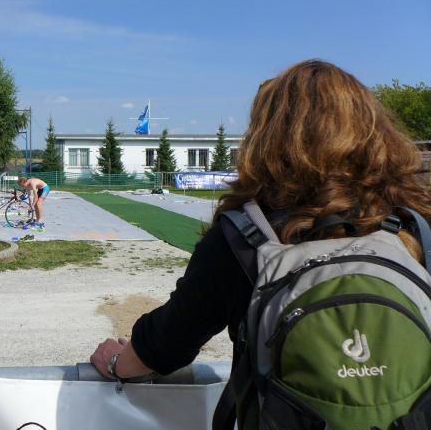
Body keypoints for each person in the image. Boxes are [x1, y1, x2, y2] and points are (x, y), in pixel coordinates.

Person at [90, 60, 431, 389]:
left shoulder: (245, 238)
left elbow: (167, 343)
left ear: (266, 137)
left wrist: (116, 362)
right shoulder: (415, 223)